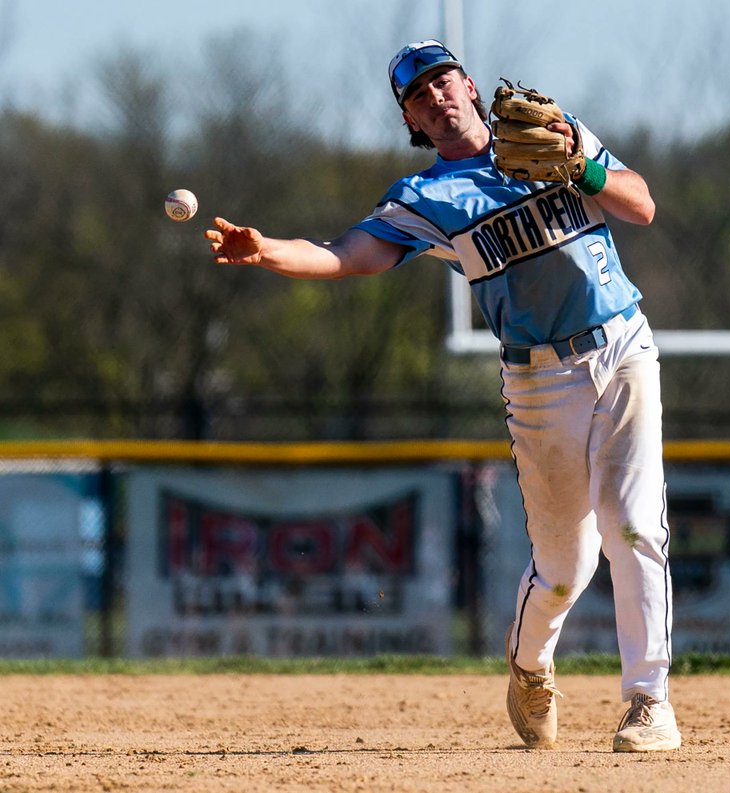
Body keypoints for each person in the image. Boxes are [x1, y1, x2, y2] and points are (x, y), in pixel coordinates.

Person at [204, 39, 680, 753]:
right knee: (563, 567)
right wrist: (266, 248)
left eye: (444, 81)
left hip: (622, 347)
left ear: (470, 84)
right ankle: (530, 665)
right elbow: (346, 254)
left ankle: (648, 700)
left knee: (634, 526)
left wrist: (579, 160)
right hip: (539, 378)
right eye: (419, 95)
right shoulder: (425, 197)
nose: (438, 97)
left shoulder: (550, 131)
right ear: (414, 123)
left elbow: (640, 205)